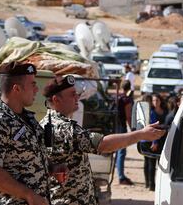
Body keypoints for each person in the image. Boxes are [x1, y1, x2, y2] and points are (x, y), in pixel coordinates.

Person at [40, 75, 165, 205]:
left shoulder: (47, 123)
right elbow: (103, 144)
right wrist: (140, 134)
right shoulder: (63, 127)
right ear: (56, 100)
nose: (77, 97)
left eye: (77, 93)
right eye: (72, 95)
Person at [0, 62, 51, 205]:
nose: (37, 90)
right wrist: (28, 195)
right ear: (16, 89)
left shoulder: (28, 118)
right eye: (32, 84)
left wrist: (51, 167)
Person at [144, 93, 167, 191]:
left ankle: (160, 184)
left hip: (163, 141)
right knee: (150, 163)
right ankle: (151, 184)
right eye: (153, 100)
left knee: (161, 164)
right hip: (153, 140)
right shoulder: (151, 112)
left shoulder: (165, 112)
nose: (155, 102)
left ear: (160, 101)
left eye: (157, 100)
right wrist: (154, 142)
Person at [116, 80, 134, 185]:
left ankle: (119, 173)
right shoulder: (126, 99)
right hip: (121, 127)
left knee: (117, 151)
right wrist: (132, 128)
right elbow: (128, 116)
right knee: (121, 152)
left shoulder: (116, 97)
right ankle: (121, 176)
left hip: (114, 126)